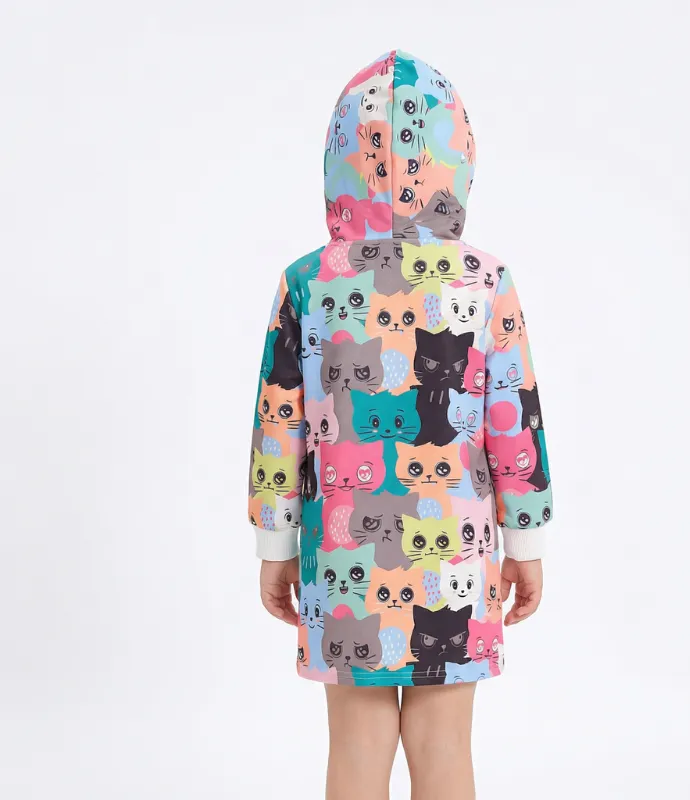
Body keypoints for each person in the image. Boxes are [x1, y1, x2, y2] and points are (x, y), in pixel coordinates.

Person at [249, 50, 554, 800]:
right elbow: (516, 420)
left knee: (356, 746)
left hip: (340, 550)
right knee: (444, 745)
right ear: (459, 160)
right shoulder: (486, 282)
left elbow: (278, 422)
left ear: (338, 160)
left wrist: (275, 544)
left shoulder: (306, 282)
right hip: (457, 555)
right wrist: (525, 541)